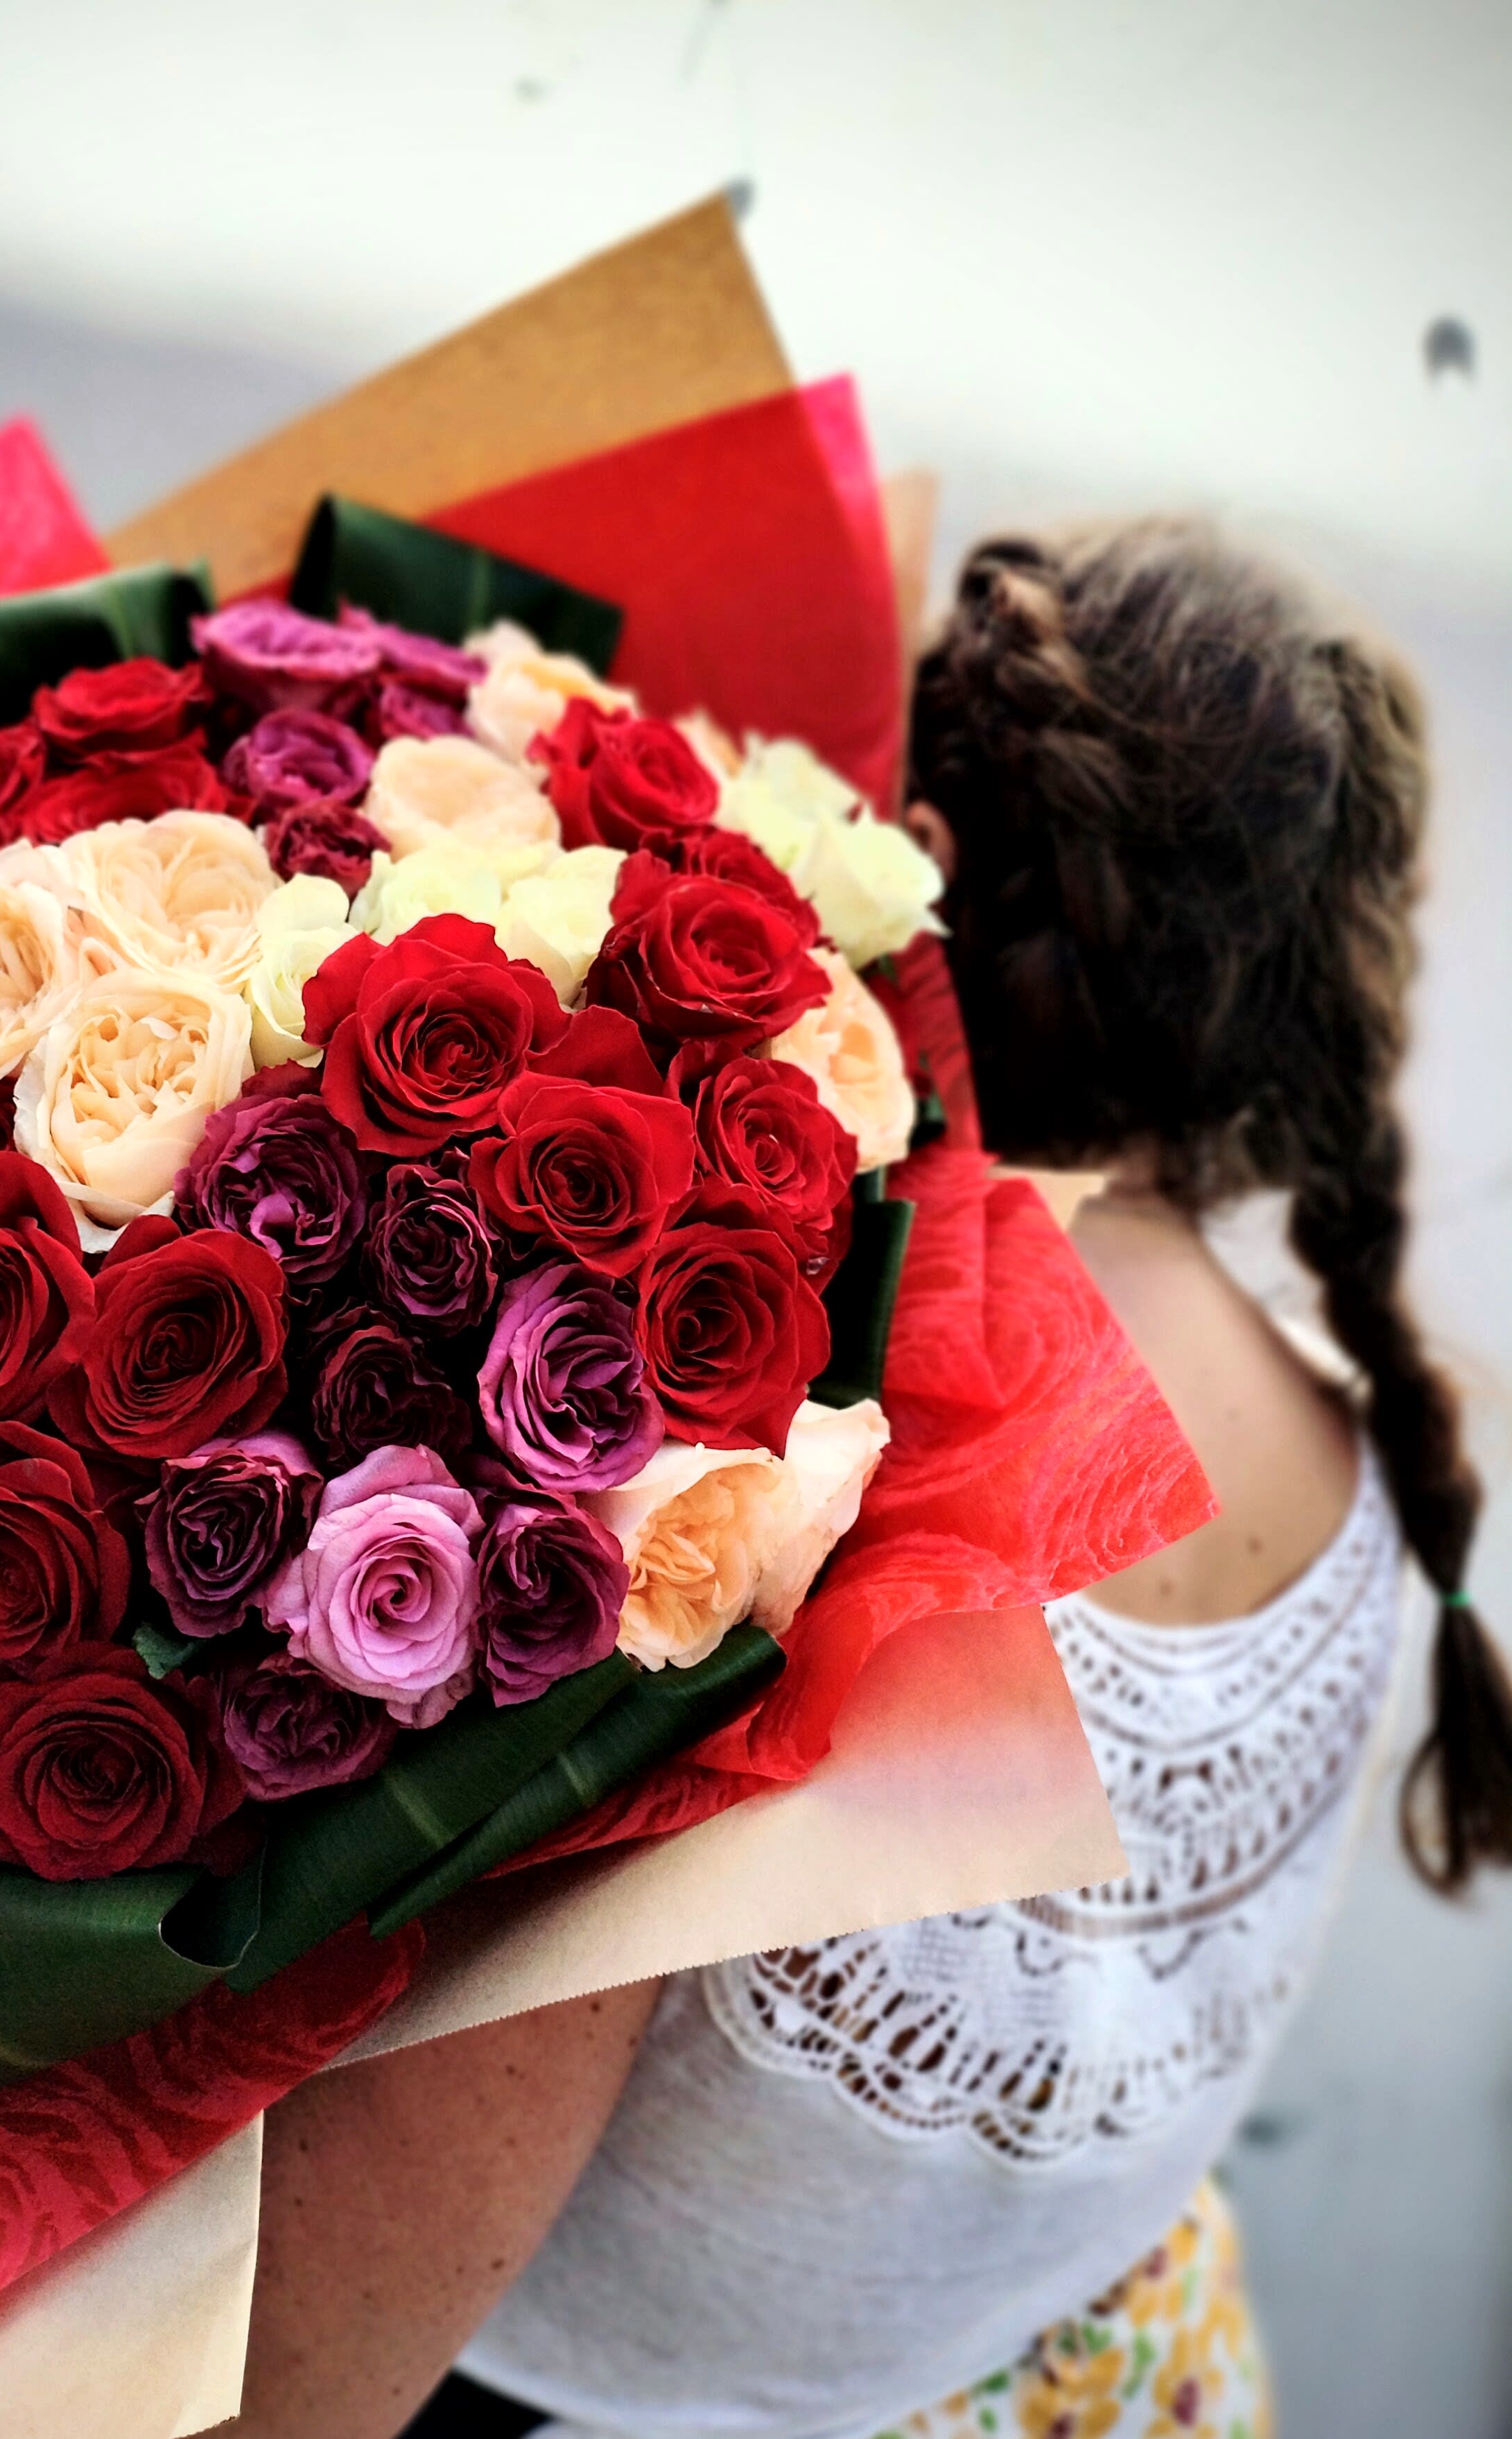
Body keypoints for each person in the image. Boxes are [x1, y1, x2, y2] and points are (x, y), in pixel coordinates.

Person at [223, 521, 1512, 2439]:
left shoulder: (766, 1458)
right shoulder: (1377, 1441)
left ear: (905, 838)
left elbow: (312, 2382)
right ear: (1326, 995)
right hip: (1123, 2384)